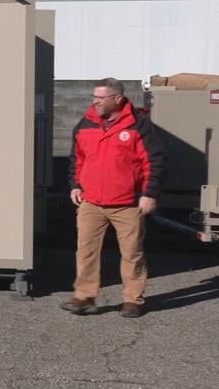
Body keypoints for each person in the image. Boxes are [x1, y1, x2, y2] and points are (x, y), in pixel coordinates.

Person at [61, 78, 165, 318]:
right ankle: (84, 298)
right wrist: (75, 185)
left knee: (132, 253)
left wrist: (149, 193)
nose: (94, 102)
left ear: (117, 99)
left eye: (100, 98)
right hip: (91, 202)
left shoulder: (139, 125)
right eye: (93, 97)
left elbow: (154, 161)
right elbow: (77, 158)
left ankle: (133, 300)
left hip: (127, 204)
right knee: (85, 252)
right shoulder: (85, 124)